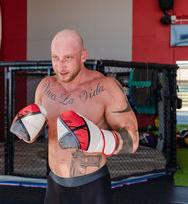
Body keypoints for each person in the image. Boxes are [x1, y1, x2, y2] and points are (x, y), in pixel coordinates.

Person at [10, 29, 139, 204]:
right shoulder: (45, 86)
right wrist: (27, 129)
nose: (60, 66)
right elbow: (33, 135)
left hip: (92, 185)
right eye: (55, 57)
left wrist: (97, 139)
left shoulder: (106, 88)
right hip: (55, 183)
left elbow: (133, 140)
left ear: (83, 56)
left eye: (68, 58)